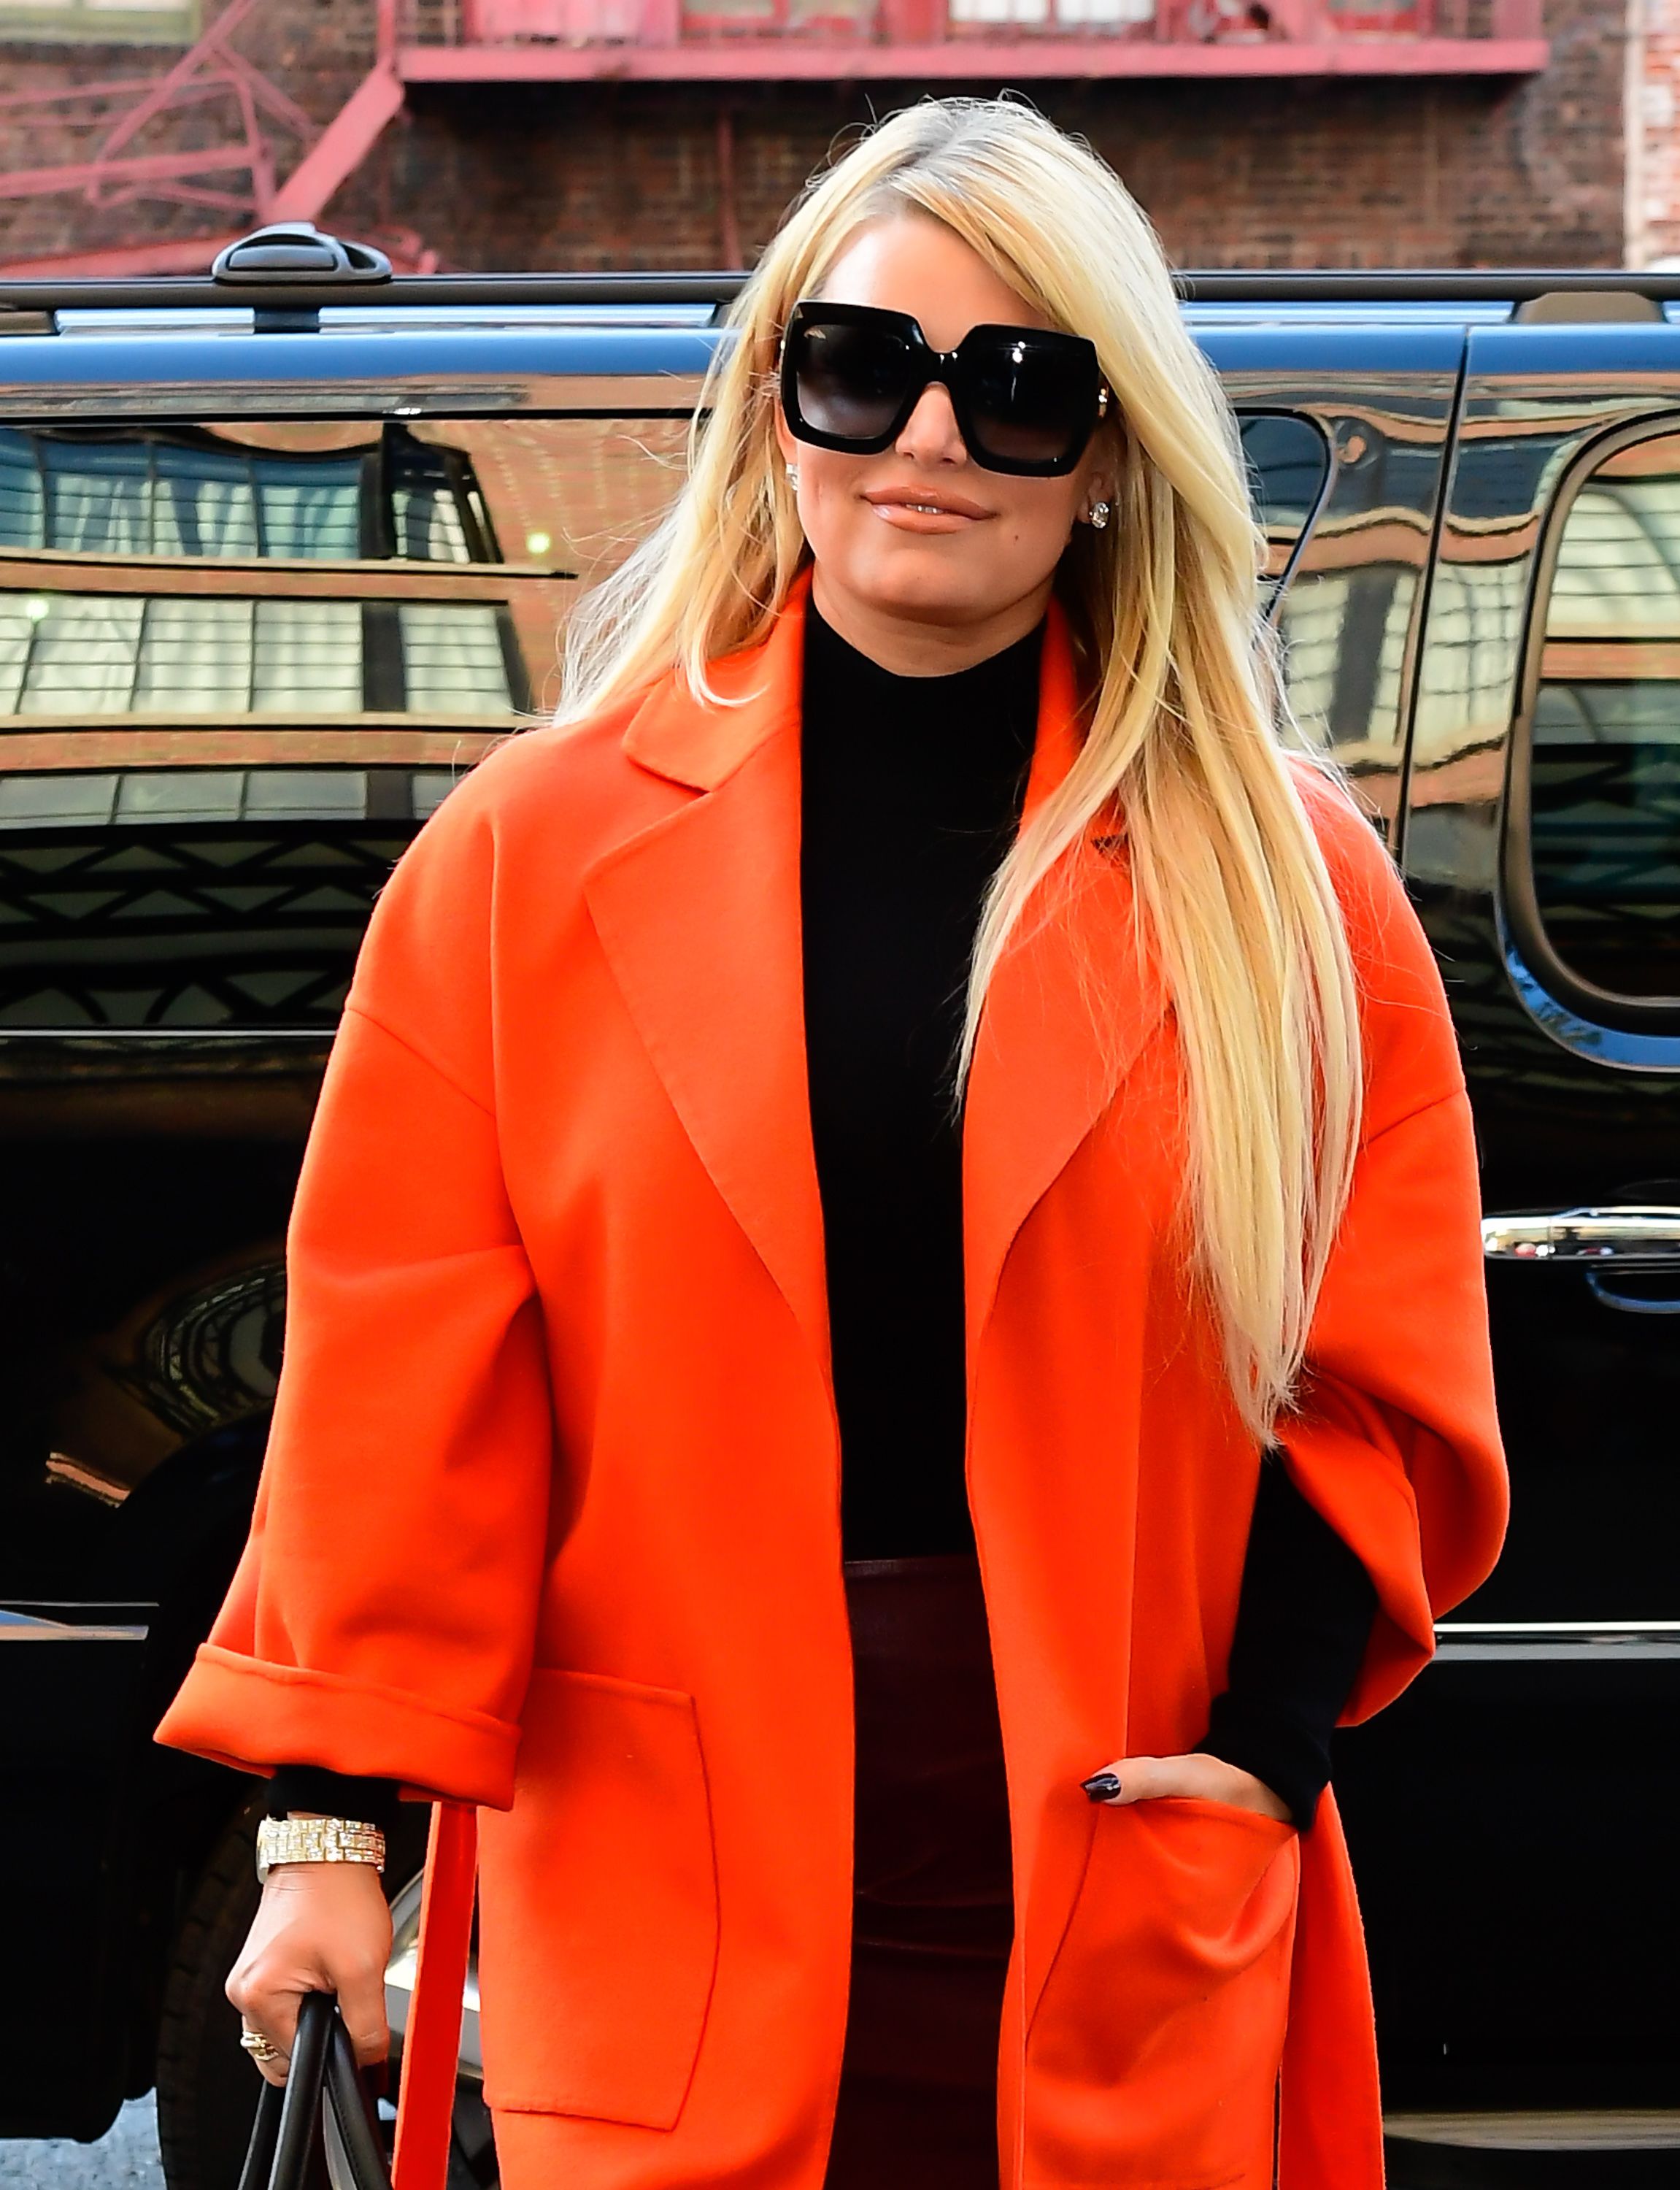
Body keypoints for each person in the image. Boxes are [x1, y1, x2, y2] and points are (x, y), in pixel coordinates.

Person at [155, 96, 1508, 2190]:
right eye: (865, 365)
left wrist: (1258, 1757)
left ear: (1114, 457)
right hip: (670, 1844)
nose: (932, 439)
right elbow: (399, 1391)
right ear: (778, 403)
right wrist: (327, 1841)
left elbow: (1373, 1389)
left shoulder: (1285, 887)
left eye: (1026, 384)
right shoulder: (530, 858)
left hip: (1104, 1839)